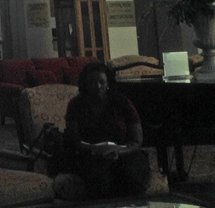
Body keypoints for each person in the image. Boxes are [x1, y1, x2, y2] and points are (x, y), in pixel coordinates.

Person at [62, 62, 151, 199]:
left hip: (124, 153)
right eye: (92, 82)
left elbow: (136, 141)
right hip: (89, 154)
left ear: (108, 83)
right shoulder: (76, 105)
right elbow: (74, 140)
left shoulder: (122, 103)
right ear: (85, 84)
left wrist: (118, 151)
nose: (97, 86)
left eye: (101, 82)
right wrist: (93, 149)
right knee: (99, 177)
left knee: (131, 176)